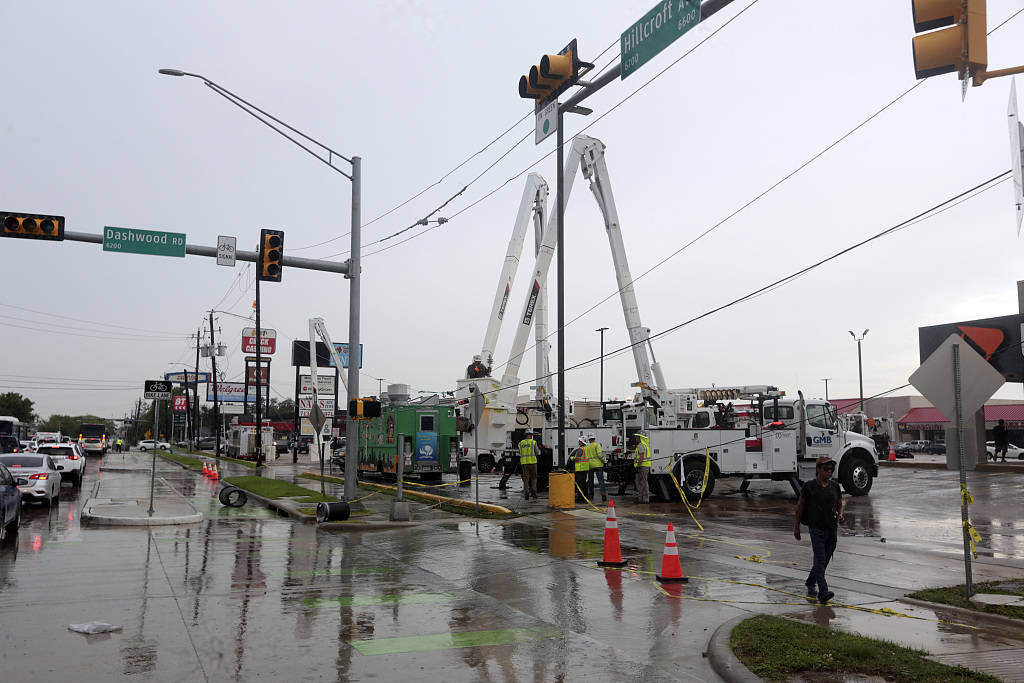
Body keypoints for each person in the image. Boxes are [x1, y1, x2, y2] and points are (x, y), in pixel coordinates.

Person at [794, 455, 844, 604]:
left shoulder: (835, 486)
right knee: (820, 559)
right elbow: (800, 506)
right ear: (818, 469)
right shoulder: (809, 487)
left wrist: (841, 515)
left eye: (831, 469)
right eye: (826, 469)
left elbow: (840, 504)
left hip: (831, 529)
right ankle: (823, 591)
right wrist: (796, 526)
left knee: (823, 560)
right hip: (816, 529)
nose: (829, 471)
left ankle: (810, 581)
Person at [585, 434, 607, 503]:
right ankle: (603, 493)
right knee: (600, 480)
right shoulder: (597, 445)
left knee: (590, 482)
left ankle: (591, 495)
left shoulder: (587, 447)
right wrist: (604, 461)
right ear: (594, 439)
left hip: (590, 466)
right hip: (598, 465)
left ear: (589, 440)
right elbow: (600, 455)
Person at [518, 431, 539, 500]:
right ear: (530, 435)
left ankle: (526, 493)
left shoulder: (520, 443)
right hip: (533, 463)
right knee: (534, 478)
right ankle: (534, 493)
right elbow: (537, 452)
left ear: (525, 435)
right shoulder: (533, 442)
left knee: (526, 479)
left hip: (524, 464)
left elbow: (520, 453)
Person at [632, 433, 651, 503]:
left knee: (642, 483)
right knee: (642, 482)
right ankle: (643, 499)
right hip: (645, 466)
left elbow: (641, 457)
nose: (636, 438)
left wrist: (638, 465)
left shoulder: (641, 446)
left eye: (637, 437)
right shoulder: (645, 445)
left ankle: (644, 499)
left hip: (642, 466)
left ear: (640, 438)